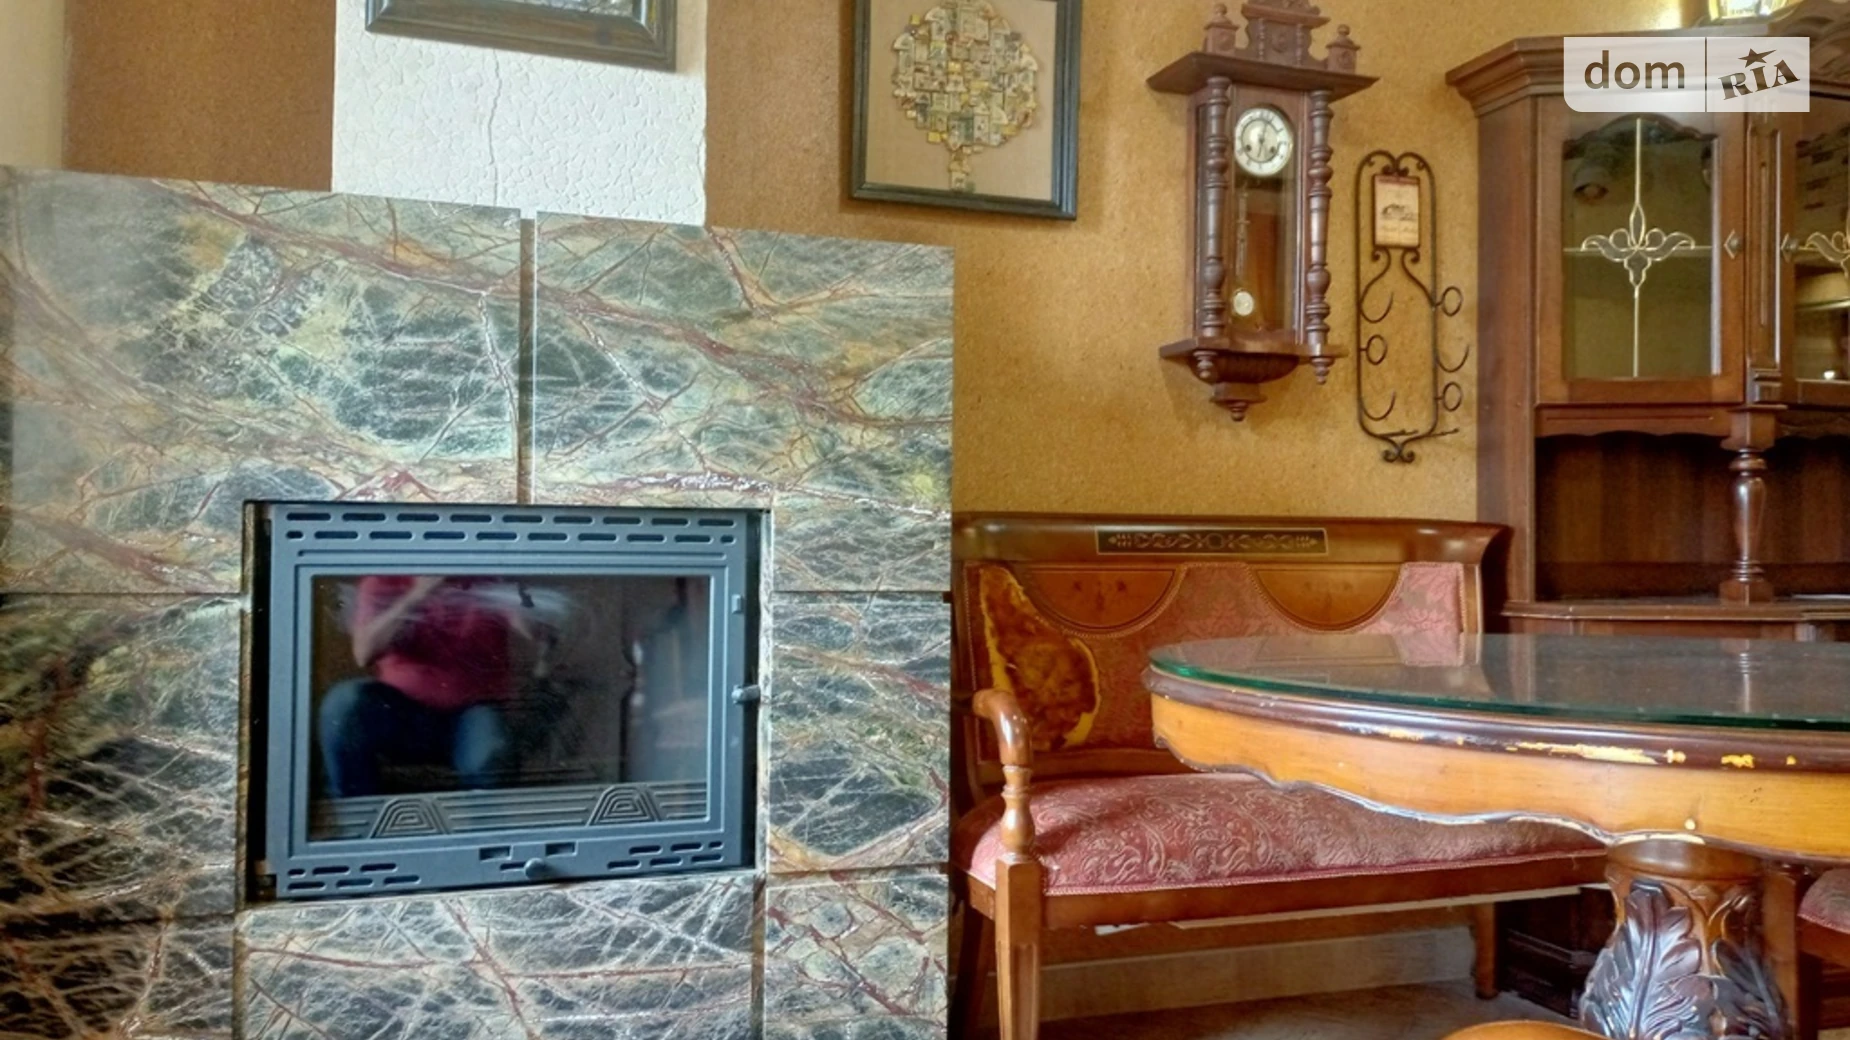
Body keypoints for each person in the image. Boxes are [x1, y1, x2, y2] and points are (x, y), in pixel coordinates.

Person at [317, 575, 537, 799]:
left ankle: (479, 821)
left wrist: (511, 583)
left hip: (472, 716)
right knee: (343, 704)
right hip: (401, 716)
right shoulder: (383, 581)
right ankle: (359, 817)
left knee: (491, 753)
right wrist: (417, 595)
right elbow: (364, 653)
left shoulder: (490, 580)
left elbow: (534, 634)